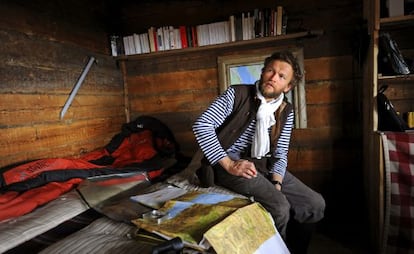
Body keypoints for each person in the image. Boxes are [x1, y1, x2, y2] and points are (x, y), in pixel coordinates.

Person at [192, 51, 325, 253]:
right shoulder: (236, 94)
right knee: (280, 208)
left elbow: (280, 152)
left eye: (281, 76)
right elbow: (202, 125)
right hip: (227, 163)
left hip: (263, 164)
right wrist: (229, 163)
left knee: (315, 203)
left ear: (288, 86)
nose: (273, 77)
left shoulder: (285, 111)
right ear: (262, 73)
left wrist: (276, 182)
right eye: (270, 71)